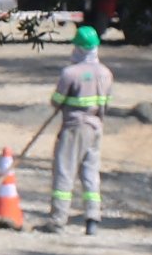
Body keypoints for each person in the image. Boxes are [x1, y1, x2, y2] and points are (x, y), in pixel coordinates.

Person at [45, 24, 114, 235]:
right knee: (90, 173)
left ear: (79, 47)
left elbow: (56, 101)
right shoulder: (105, 73)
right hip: (95, 127)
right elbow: (106, 103)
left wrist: (65, 103)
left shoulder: (70, 73)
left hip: (74, 127)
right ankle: (93, 218)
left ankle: (58, 220)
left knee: (65, 172)